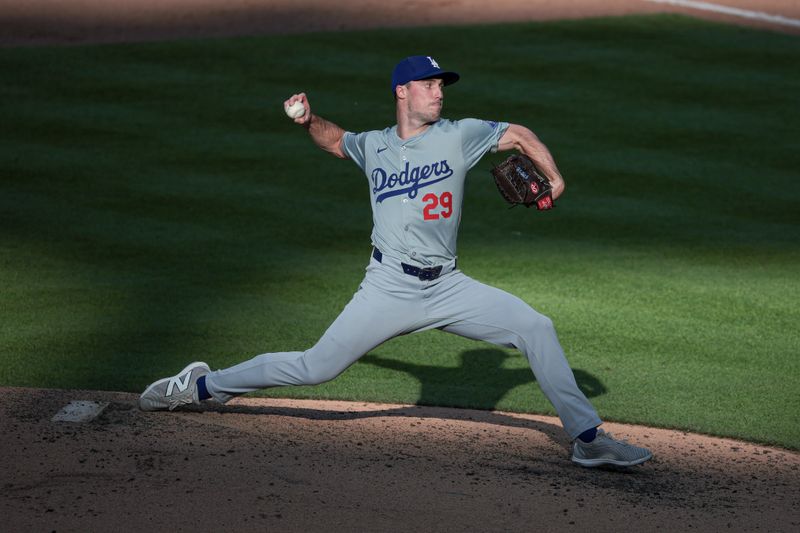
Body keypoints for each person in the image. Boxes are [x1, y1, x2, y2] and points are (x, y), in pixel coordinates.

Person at [139, 55, 652, 468]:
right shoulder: (375, 146)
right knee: (315, 367)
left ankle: (589, 439)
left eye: (441, 84)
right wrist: (308, 119)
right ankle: (202, 384)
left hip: (448, 287)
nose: (439, 90)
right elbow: (337, 142)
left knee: (534, 327)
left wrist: (554, 175)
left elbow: (517, 133)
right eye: (429, 84)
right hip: (387, 287)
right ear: (402, 91)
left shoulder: (460, 134)